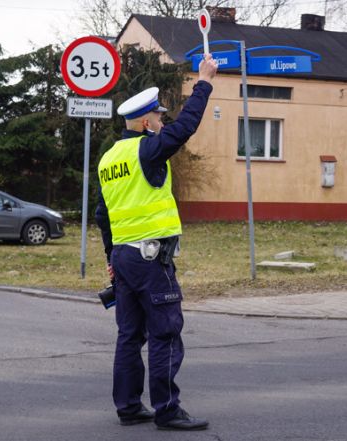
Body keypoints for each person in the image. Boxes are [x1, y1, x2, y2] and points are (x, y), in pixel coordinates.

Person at [95, 54, 218, 431]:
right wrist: (204, 83)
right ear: (146, 122)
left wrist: (111, 259)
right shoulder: (146, 150)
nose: (162, 123)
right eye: (159, 118)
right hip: (150, 259)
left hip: (124, 257)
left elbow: (103, 215)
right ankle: (167, 409)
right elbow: (184, 127)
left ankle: (130, 406)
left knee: (129, 335)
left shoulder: (108, 159)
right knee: (165, 331)